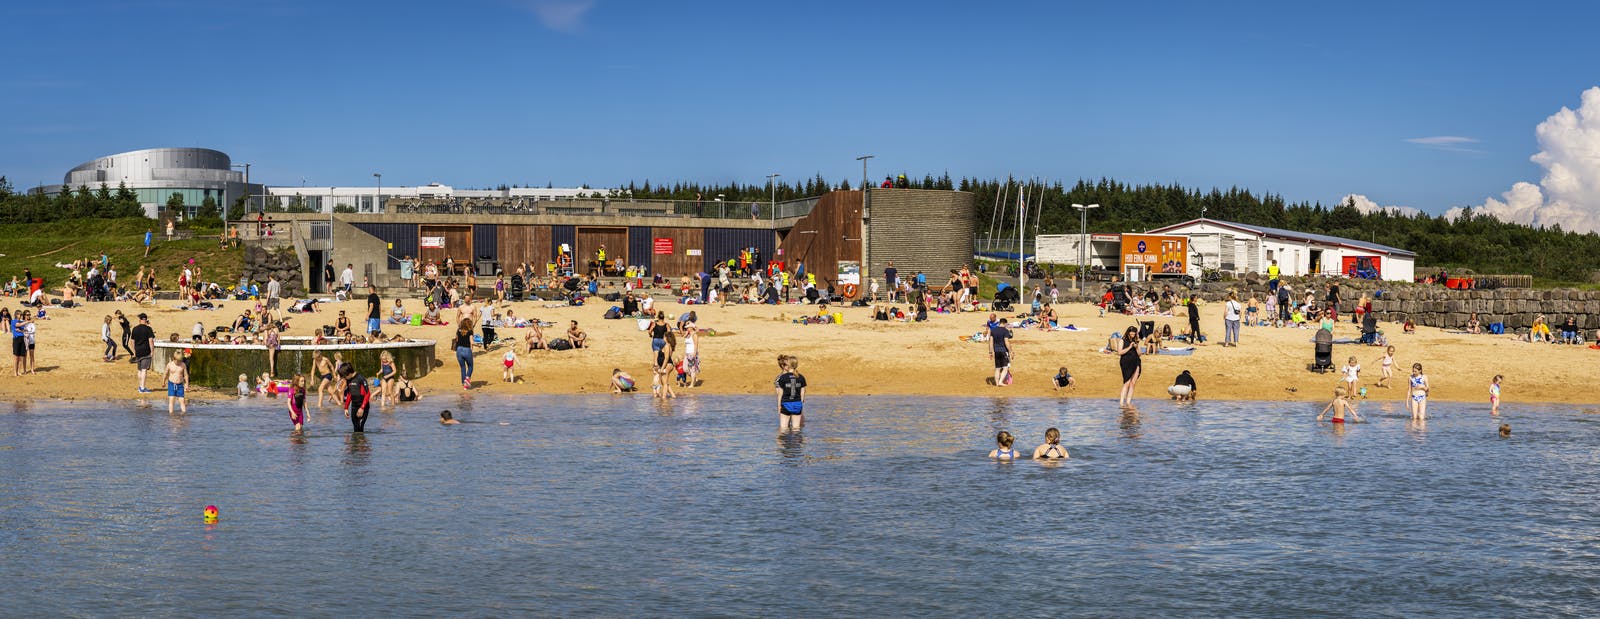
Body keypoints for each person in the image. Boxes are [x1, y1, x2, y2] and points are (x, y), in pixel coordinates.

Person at [774, 354, 807, 432]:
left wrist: (779, 406)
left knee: (783, 429)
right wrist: (800, 402)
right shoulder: (801, 377)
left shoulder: (783, 377)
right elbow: (803, 392)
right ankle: (798, 444)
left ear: (788, 365)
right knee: (796, 429)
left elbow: (780, 394)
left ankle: (784, 444)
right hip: (797, 404)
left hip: (786, 404)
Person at [340, 364, 372, 432]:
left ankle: (362, 441)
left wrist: (362, 408)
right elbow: (349, 394)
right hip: (354, 406)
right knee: (355, 427)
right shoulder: (348, 380)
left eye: (344, 376)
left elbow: (368, 393)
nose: (344, 378)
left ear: (349, 373)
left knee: (360, 426)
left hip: (363, 406)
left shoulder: (360, 378)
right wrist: (346, 408)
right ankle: (354, 442)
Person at [1117, 326, 1142, 407]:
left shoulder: (1136, 341)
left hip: (1136, 362)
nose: (1132, 334)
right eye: (1131, 332)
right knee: (1127, 382)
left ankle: (1128, 402)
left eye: (1134, 332)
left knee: (1133, 383)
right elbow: (1120, 352)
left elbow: (1139, 354)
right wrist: (1130, 347)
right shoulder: (1122, 340)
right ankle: (1121, 402)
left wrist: (1137, 347)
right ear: (1128, 332)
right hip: (1126, 362)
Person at [131, 313, 156, 393]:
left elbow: (132, 341)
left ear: (140, 320)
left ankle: (140, 386)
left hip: (138, 351)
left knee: (139, 370)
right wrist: (152, 351)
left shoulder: (135, 329)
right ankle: (142, 387)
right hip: (146, 351)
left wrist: (134, 351)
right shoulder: (148, 329)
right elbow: (151, 341)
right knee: (144, 370)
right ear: (146, 320)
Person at [989, 317, 1013, 387]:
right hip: (1003, 351)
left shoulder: (993, 330)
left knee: (997, 368)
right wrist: (1010, 351)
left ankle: (996, 383)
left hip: (996, 351)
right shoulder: (1005, 331)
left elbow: (990, 342)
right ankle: (1000, 382)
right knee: (1005, 367)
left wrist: (990, 352)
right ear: (1005, 323)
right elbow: (1006, 342)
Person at [164, 350, 189, 414]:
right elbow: (165, 373)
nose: (179, 362)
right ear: (173, 358)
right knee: (171, 399)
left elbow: (186, 375)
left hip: (180, 385)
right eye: (177, 361)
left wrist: (187, 384)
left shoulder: (183, 365)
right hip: (171, 384)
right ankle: (171, 414)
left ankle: (184, 413)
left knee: (182, 400)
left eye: (180, 361)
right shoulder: (170, 365)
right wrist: (163, 381)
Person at [453, 324, 474, 390]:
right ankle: (467, 378)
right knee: (470, 366)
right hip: (467, 350)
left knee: (462, 367)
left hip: (459, 350)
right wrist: (478, 345)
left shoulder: (458, 331)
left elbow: (456, 339)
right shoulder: (470, 331)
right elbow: (472, 342)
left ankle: (463, 383)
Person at [683, 324, 701, 389]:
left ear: (691, 328)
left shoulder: (694, 335)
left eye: (687, 327)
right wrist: (687, 333)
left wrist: (694, 353)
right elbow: (683, 337)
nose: (686, 328)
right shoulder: (688, 335)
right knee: (685, 369)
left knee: (692, 369)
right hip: (687, 353)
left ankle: (692, 384)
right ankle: (694, 378)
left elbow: (696, 345)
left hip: (692, 353)